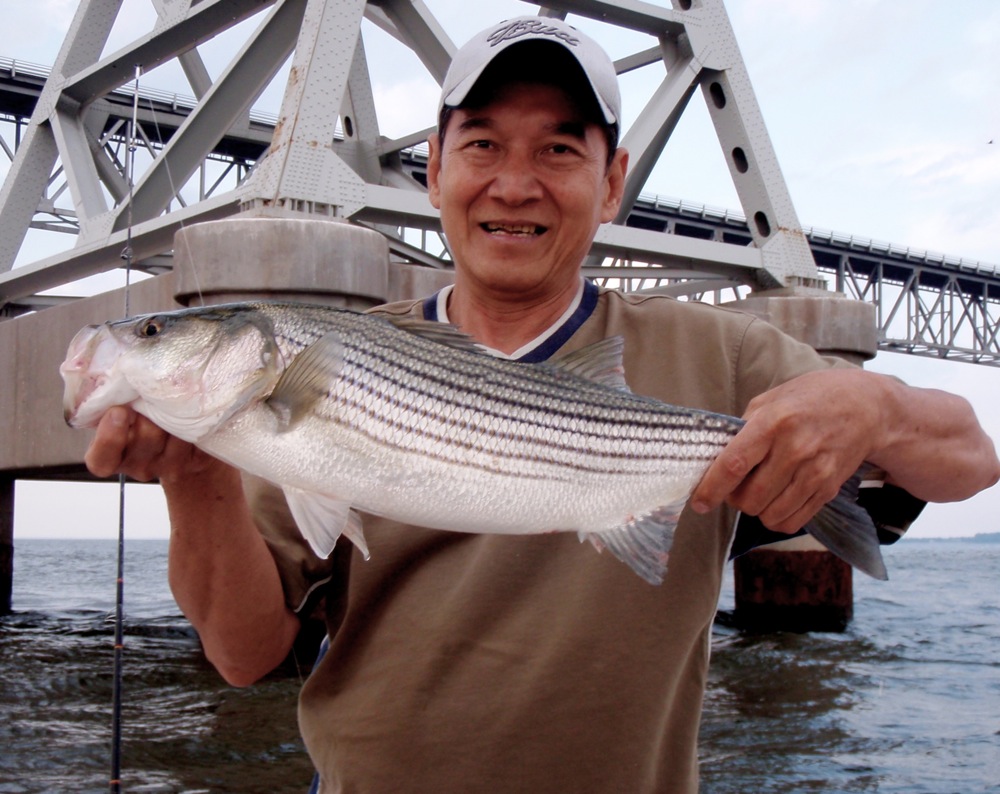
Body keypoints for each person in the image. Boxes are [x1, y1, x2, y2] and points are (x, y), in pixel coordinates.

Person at [83, 16, 1000, 794]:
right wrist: (193, 473)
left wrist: (874, 404)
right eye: (480, 144)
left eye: (560, 149)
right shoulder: (332, 365)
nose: (513, 184)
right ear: (434, 167)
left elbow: (971, 458)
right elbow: (246, 654)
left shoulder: (724, 355)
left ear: (612, 182)